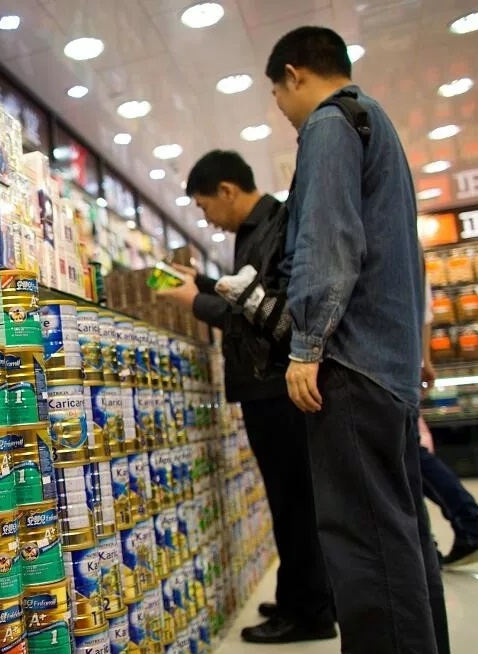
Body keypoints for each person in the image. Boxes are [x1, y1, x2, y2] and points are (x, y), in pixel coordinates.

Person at [266, 26, 449, 654]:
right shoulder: (378, 123)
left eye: (276, 94)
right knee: (402, 538)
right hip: (391, 368)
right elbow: (408, 256)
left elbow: (328, 241)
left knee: (364, 548)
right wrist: (416, 347)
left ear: (294, 74)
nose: (281, 109)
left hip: (352, 364)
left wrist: (306, 346)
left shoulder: (329, 124)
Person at [156, 150, 335, 644]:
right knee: (290, 500)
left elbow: (262, 311)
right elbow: (244, 294)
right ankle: (303, 596)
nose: (206, 217)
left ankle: (309, 612)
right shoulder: (258, 230)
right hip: (269, 385)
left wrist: (194, 301)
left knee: (292, 502)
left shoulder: (273, 226)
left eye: (204, 205)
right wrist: (202, 284)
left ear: (227, 190)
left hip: (275, 386)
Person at [420, 277, 478, 566]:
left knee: (408, 456)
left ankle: (467, 522)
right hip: (403, 362)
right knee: (408, 456)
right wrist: (424, 360)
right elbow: (426, 313)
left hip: (387, 367)